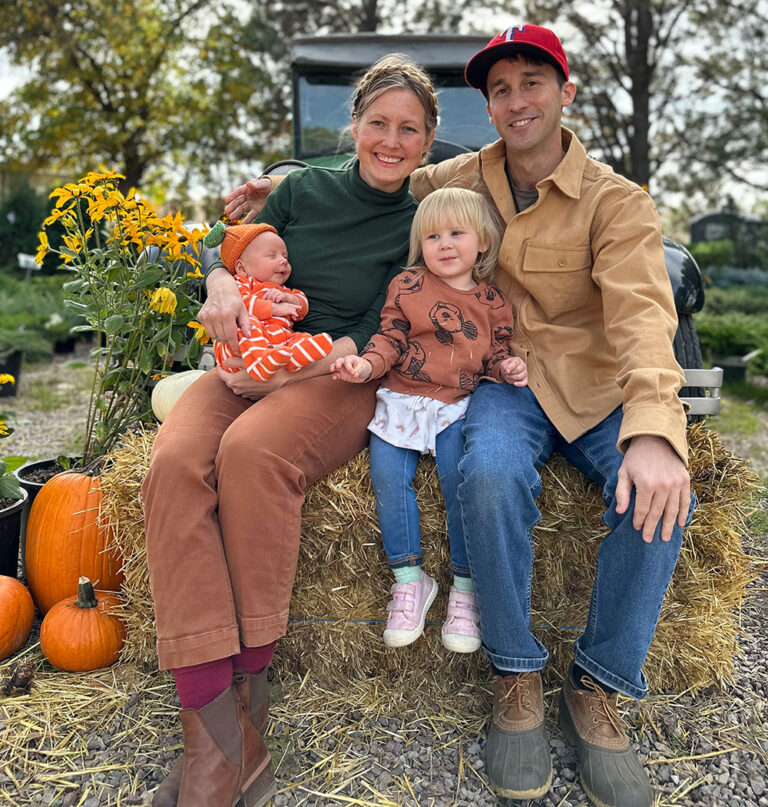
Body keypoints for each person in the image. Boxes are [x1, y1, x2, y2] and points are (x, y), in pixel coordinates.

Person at [226, 22, 695, 807]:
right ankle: (515, 671)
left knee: (660, 495)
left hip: (593, 389)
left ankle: (597, 682)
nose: (516, 101)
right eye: (500, 89)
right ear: (488, 105)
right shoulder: (468, 175)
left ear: (565, 92)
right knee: (488, 473)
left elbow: (646, 317)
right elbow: (378, 167)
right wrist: (279, 186)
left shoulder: (617, 201)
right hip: (502, 383)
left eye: (532, 83)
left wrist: (654, 429)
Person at [140, 53, 438, 807]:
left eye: (408, 129)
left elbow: (380, 329)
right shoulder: (303, 187)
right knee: (173, 463)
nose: (391, 141)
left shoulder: (419, 223)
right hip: (253, 353)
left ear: (429, 141)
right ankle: (216, 729)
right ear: (356, 126)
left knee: (251, 452)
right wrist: (218, 285)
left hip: (339, 373)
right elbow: (224, 244)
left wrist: (285, 380)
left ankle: (246, 707)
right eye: (378, 123)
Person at [330, 188, 527, 654]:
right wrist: (365, 365)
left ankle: (465, 587)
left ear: (482, 241)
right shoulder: (407, 287)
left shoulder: (494, 303)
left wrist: (507, 368)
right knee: (387, 478)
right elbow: (389, 338)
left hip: (456, 407)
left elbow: (493, 356)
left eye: (456, 233)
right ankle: (409, 579)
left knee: (460, 483)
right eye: (432, 236)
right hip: (402, 398)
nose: (444, 244)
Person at [202, 220, 333, 381]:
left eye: (285, 256)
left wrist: (289, 298)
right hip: (242, 349)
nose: (283, 261)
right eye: (272, 256)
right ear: (242, 268)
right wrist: (274, 309)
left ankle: (296, 357)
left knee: (299, 337)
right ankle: (260, 362)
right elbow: (242, 304)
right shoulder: (242, 283)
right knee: (247, 324)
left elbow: (302, 307)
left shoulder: (281, 289)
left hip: (277, 344)